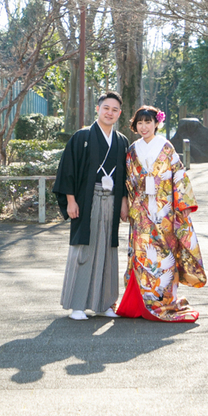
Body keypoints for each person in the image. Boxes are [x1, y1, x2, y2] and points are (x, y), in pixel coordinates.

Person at [116, 105, 206, 322]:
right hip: (141, 210)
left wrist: (182, 206)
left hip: (165, 210)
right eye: (139, 123)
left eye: (148, 122)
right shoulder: (132, 149)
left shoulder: (166, 147)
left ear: (157, 123)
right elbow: (127, 180)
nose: (144, 127)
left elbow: (179, 175)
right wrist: (125, 204)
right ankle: (139, 302)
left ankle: (164, 301)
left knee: (165, 253)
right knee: (141, 254)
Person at [54, 91, 129, 320]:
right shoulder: (82, 136)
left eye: (114, 110)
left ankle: (104, 304)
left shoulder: (121, 141)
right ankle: (77, 305)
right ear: (98, 109)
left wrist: (124, 202)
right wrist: (70, 200)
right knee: (84, 250)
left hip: (112, 200)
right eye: (106, 108)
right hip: (87, 200)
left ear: (119, 113)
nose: (110, 113)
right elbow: (68, 169)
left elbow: (125, 176)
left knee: (108, 250)